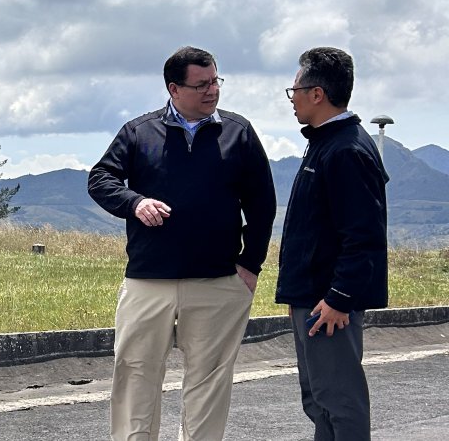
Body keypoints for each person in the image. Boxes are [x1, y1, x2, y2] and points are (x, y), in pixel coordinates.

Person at [89, 46, 276, 441]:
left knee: (209, 385)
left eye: (215, 81)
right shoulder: (138, 132)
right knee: (135, 377)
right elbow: (100, 179)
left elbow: (262, 204)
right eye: (201, 84)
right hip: (147, 282)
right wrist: (135, 203)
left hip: (219, 284)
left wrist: (250, 265)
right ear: (174, 89)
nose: (212, 91)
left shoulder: (239, 132)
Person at [275, 47, 388, 440]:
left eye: (295, 91)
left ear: (317, 93)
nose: (293, 100)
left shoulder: (346, 150)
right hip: (313, 297)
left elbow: (364, 234)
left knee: (339, 400)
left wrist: (340, 297)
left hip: (328, 303)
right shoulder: (326, 142)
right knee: (319, 399)